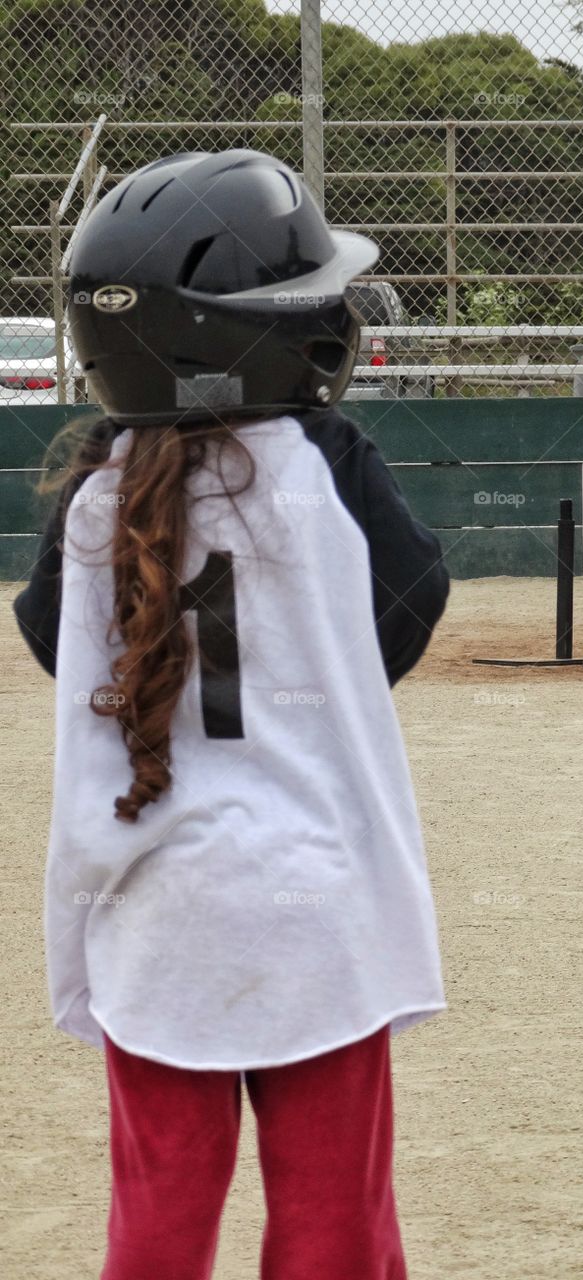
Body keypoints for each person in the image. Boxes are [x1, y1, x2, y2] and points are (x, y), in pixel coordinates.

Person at [13, 149, 449, 1280]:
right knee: (333, 1223)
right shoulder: (327, 459)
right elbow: (406, 607)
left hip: (159, 906)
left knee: (156, 1218)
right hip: (314, 908)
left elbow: (51, 637)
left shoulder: (96, 488)